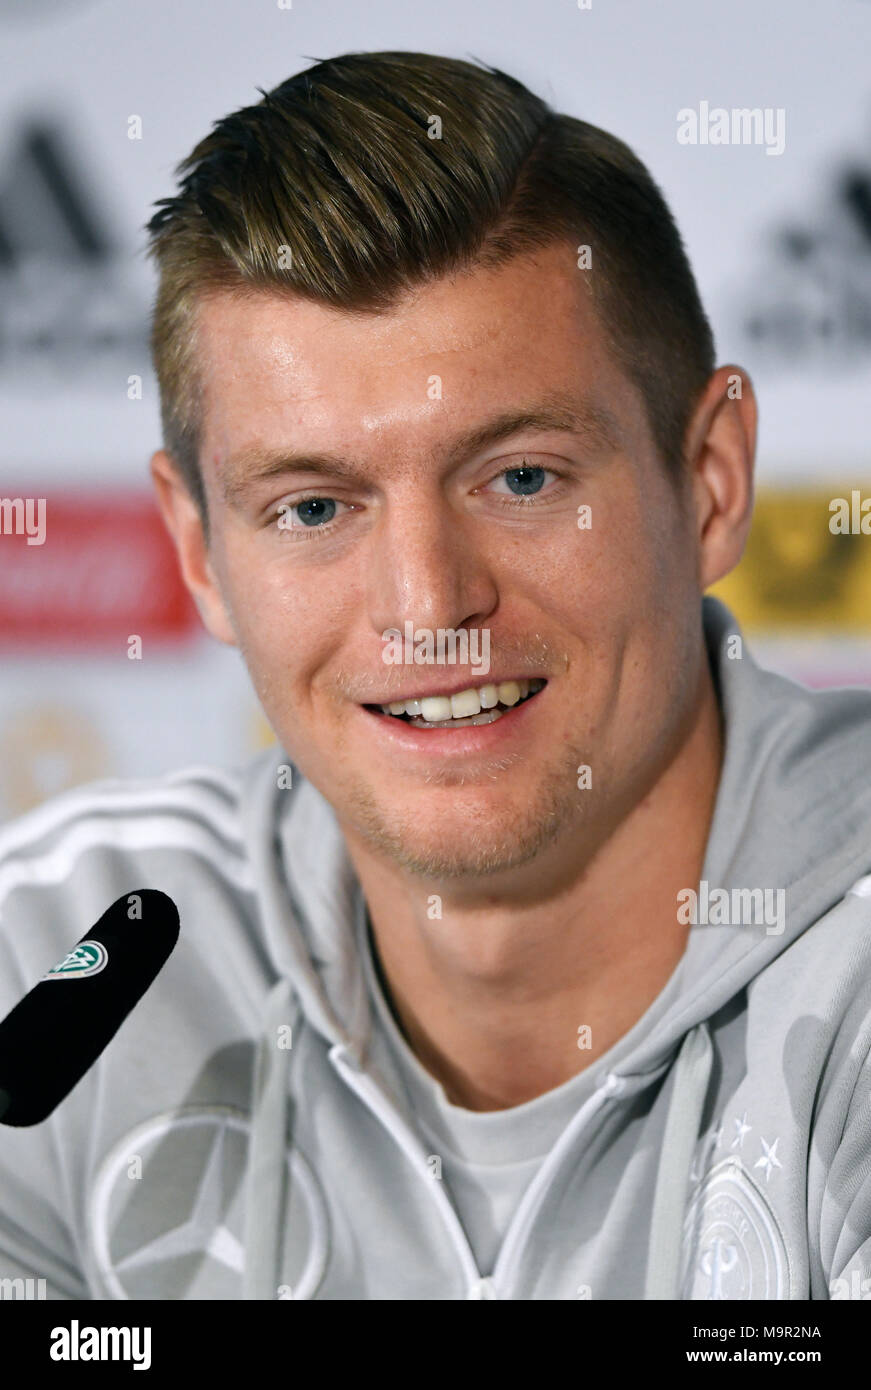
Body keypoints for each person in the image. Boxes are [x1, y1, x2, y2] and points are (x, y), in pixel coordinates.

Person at [1, 50, 870, 1302]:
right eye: (312, 506)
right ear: (198, 551)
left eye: (520, 478)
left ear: (713, 481)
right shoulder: (58, 963)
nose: (428, 605)